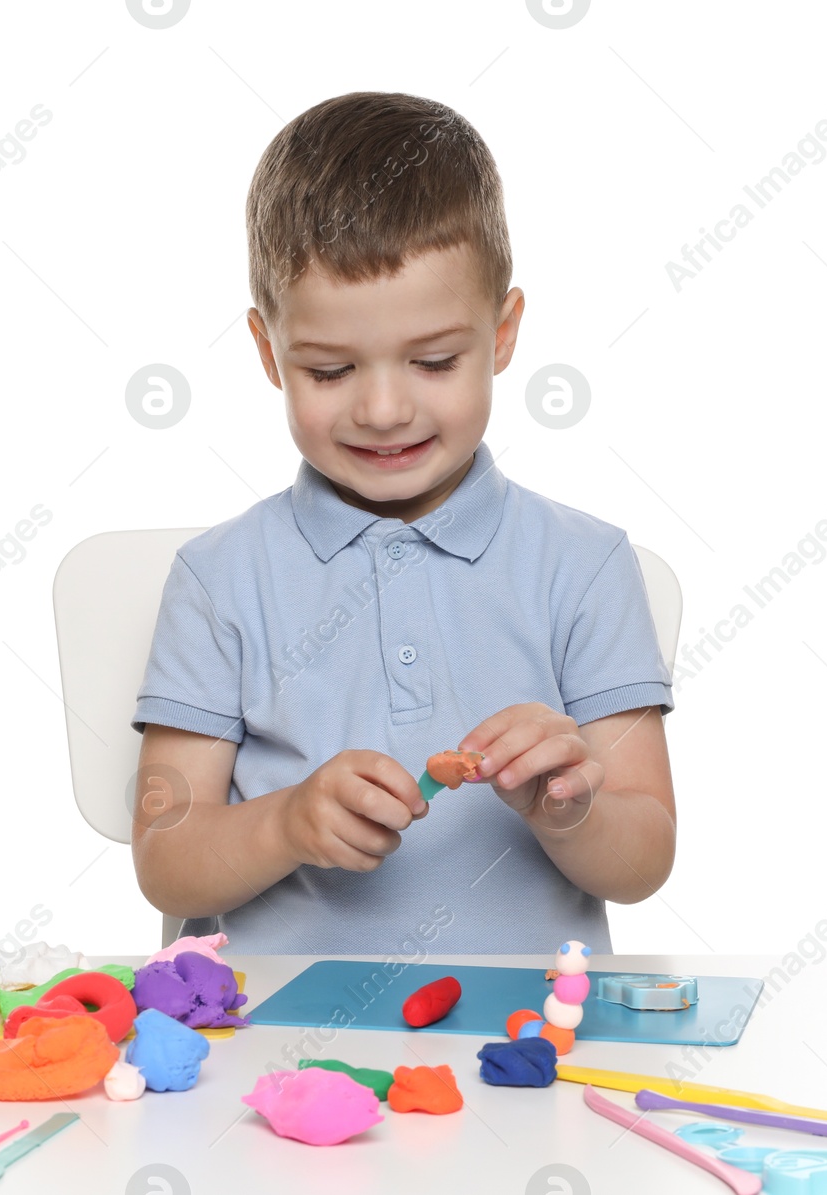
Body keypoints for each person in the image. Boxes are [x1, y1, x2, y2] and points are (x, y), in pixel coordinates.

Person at [129, 91, 675, 955]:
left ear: (503, 333)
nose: (384, 408)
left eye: (433, 360)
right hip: (270, 1047)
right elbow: (165, 855)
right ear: (270, 355)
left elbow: (646, 857)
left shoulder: (586, 565)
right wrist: (285, 825)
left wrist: (570, 812)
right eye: (331, 368)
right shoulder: (219, 579)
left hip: (531, 1045)